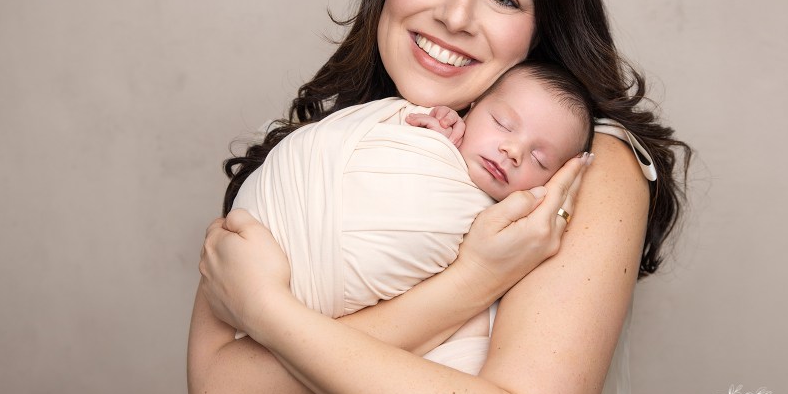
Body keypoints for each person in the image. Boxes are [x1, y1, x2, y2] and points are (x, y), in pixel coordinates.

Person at [189, 0, 690, 394]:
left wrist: (267, 312)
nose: (455, 16)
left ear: (542, 27)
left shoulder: (580, 163)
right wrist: (470, 283)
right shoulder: (321, 150)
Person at [232, 60, 594, 326]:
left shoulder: (518, 230)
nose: (513, 151)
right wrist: (429, 132)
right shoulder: (428, 131)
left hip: (324, 321)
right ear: (470, 108)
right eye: (502, 124)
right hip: (282, 249)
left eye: (539, 158)